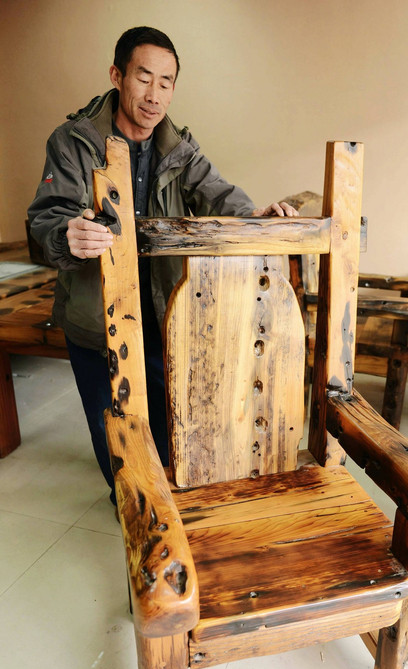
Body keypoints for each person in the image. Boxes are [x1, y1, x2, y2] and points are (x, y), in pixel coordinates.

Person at [28, 26, 297, 505]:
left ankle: (171, 502)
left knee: (171, 419)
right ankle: (135, 511)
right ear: (117, 76)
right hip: (97, 318)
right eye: (144, 78)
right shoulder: (73, 141)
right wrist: (66, 233)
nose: (155, 95)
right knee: (114, 430)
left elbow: (219, 194)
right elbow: (45, 220)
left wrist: (257, 217)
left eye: (166, 82)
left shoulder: (177, 147)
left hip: (161, 310)